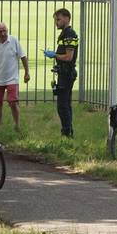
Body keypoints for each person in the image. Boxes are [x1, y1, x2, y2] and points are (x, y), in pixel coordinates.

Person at [44, 8, 78, 138]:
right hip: (63, 72)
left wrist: (54, 55)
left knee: (63, 106)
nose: (56, 22)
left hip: (67, 73)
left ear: (67, 18)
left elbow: (69, 57)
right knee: (65, 104)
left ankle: (66, 132)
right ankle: (68, 131)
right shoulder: (65, 34)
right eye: (55, 20)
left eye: (58, 19)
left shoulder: (69, 34)